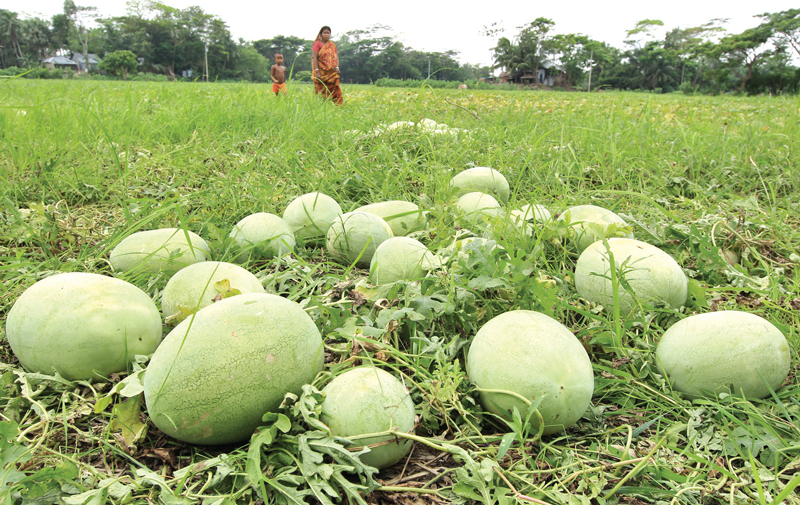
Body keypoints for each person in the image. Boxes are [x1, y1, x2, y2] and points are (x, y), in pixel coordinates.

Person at [311, 26, 343, 105]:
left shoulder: (332, 45)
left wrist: (337, 67)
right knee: (321, 92)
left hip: (332, 73)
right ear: (321, 34)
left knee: (336, 89)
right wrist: (317, 71)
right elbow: (314, 58)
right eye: (324, 33)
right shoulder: (317, 44)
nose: (326, 35)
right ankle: (322, 107)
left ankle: (338, 106)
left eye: (328, 33)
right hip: (321, 73)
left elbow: (335, 57)